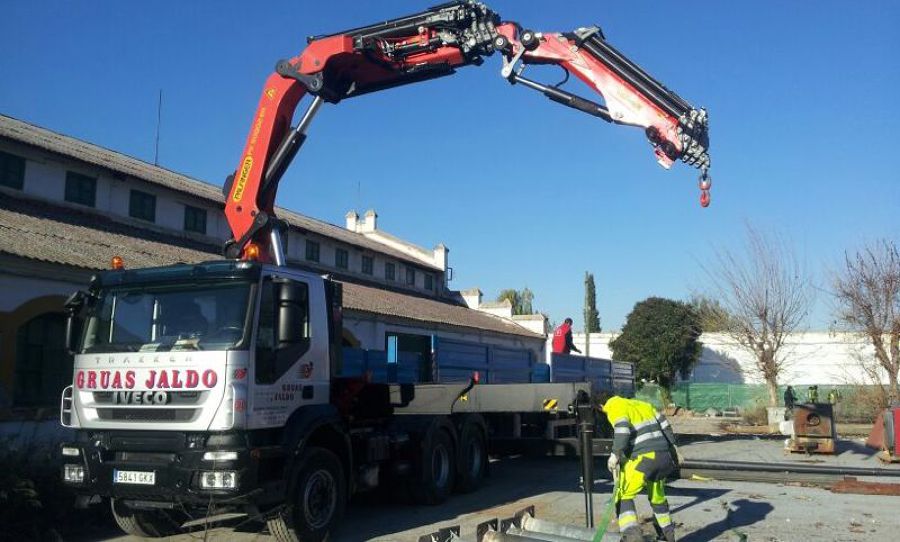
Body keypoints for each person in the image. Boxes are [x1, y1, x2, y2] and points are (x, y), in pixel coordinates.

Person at [600, 394, 680, 542]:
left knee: (623, 495)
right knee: (658, 498)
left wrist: (615, 454)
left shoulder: (614, 406)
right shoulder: (643, 404)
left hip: (643, 459)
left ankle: (632, 538)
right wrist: (673, 448)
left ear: (602, 406)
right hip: (663, 457)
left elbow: (622, 430)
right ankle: (667, 537)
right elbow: (665, 425)